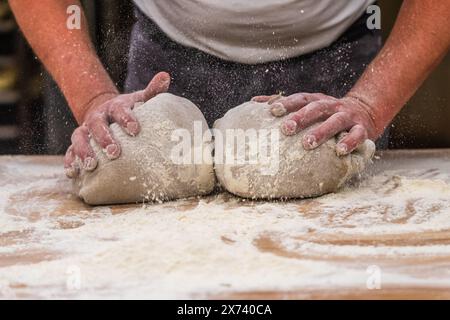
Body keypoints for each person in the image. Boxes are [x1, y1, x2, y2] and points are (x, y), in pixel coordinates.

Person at [9, 0, 450, 178]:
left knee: (335, 256)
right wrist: (94, 98)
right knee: (157, 262)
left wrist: (369, 103)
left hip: (336, 72)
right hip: (166, 63)